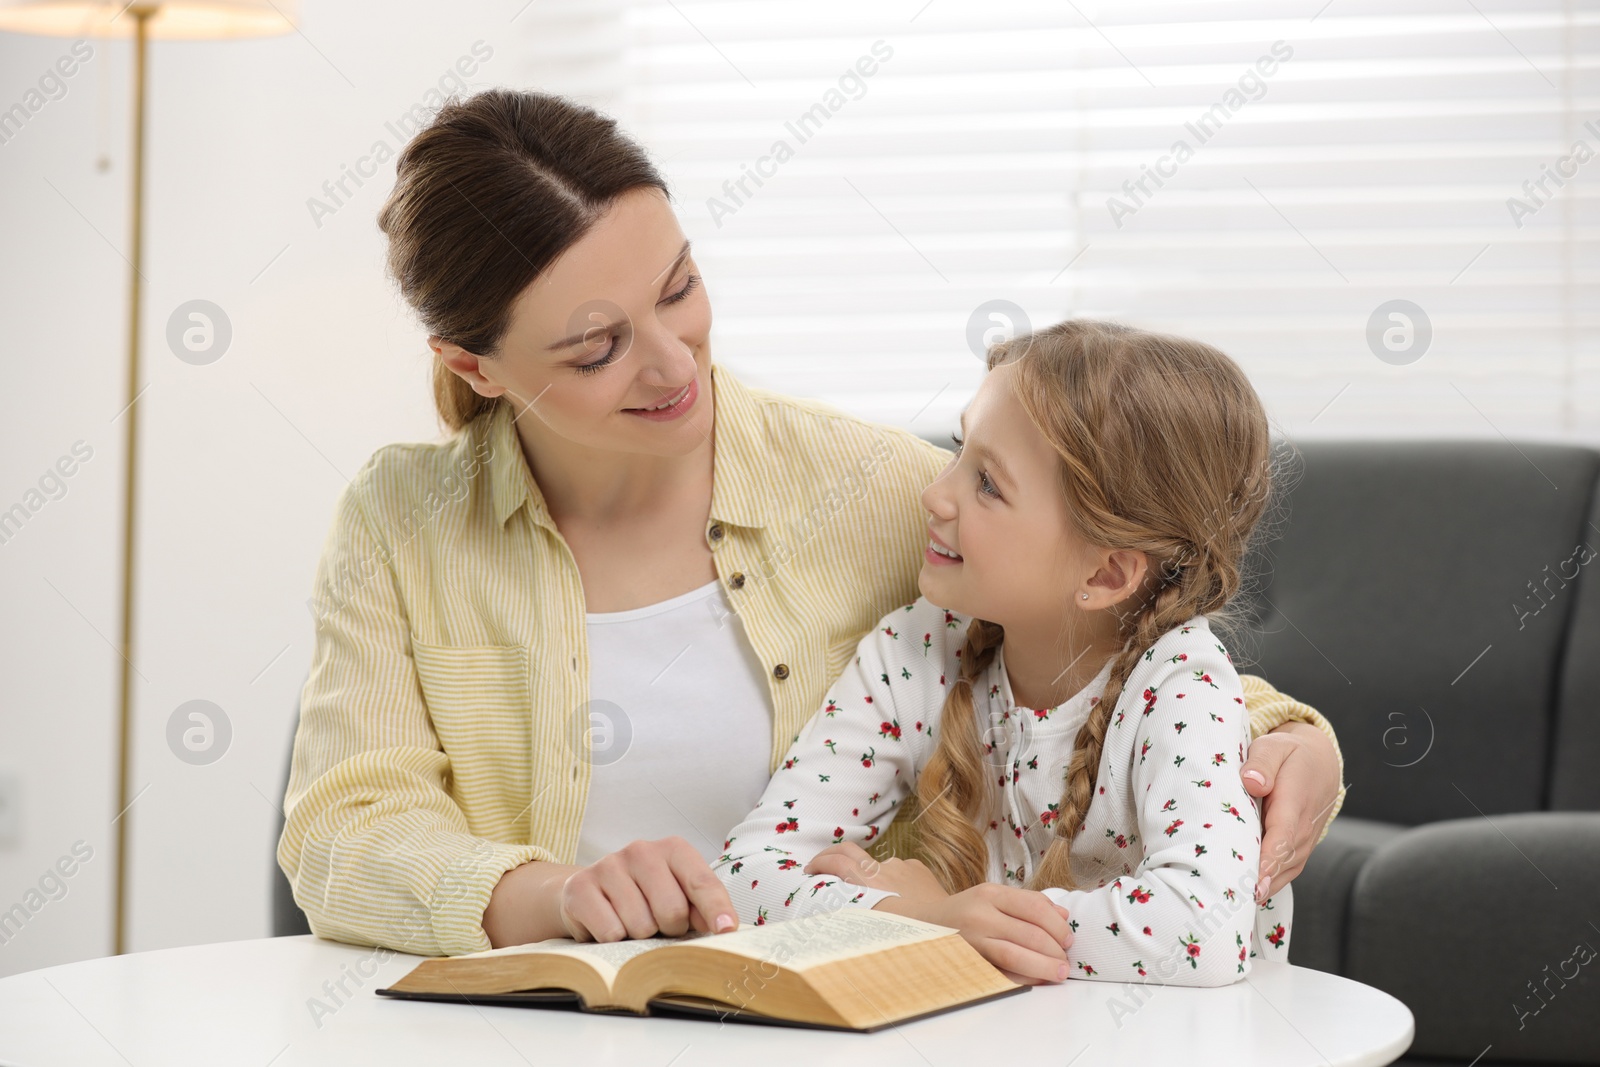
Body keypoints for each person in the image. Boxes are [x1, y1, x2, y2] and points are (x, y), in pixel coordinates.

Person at [276, 89, 1346, 959]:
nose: (672, 359)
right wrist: (553, 893)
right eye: (596, 347)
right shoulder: (401, 522)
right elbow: (343, 827)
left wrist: (1293, 733)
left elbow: (1100, 630)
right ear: (475, 365)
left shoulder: (871, 484)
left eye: (680, 287)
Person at [712, 320, 1297, 987]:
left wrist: (939, 917)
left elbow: (1203, 934)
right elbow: (740, 880)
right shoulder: (915, 650)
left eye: (988, 483)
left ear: (1106, 574)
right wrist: (916, 916)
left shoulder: (1179, 685)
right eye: (961, 450)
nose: (936, 495)